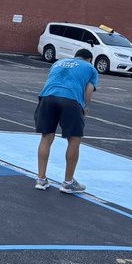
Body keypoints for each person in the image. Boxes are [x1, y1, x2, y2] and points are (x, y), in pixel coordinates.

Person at [34, 47, 99, 193]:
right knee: (74, 140)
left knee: (46, 137)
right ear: (89, 59)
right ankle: (68, 182)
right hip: (70, 100)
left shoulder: (58, 63)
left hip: (47, 97)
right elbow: (88, 90)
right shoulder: (90, 68)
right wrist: (85, 107)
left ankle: (41, 179)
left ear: (75, 57)